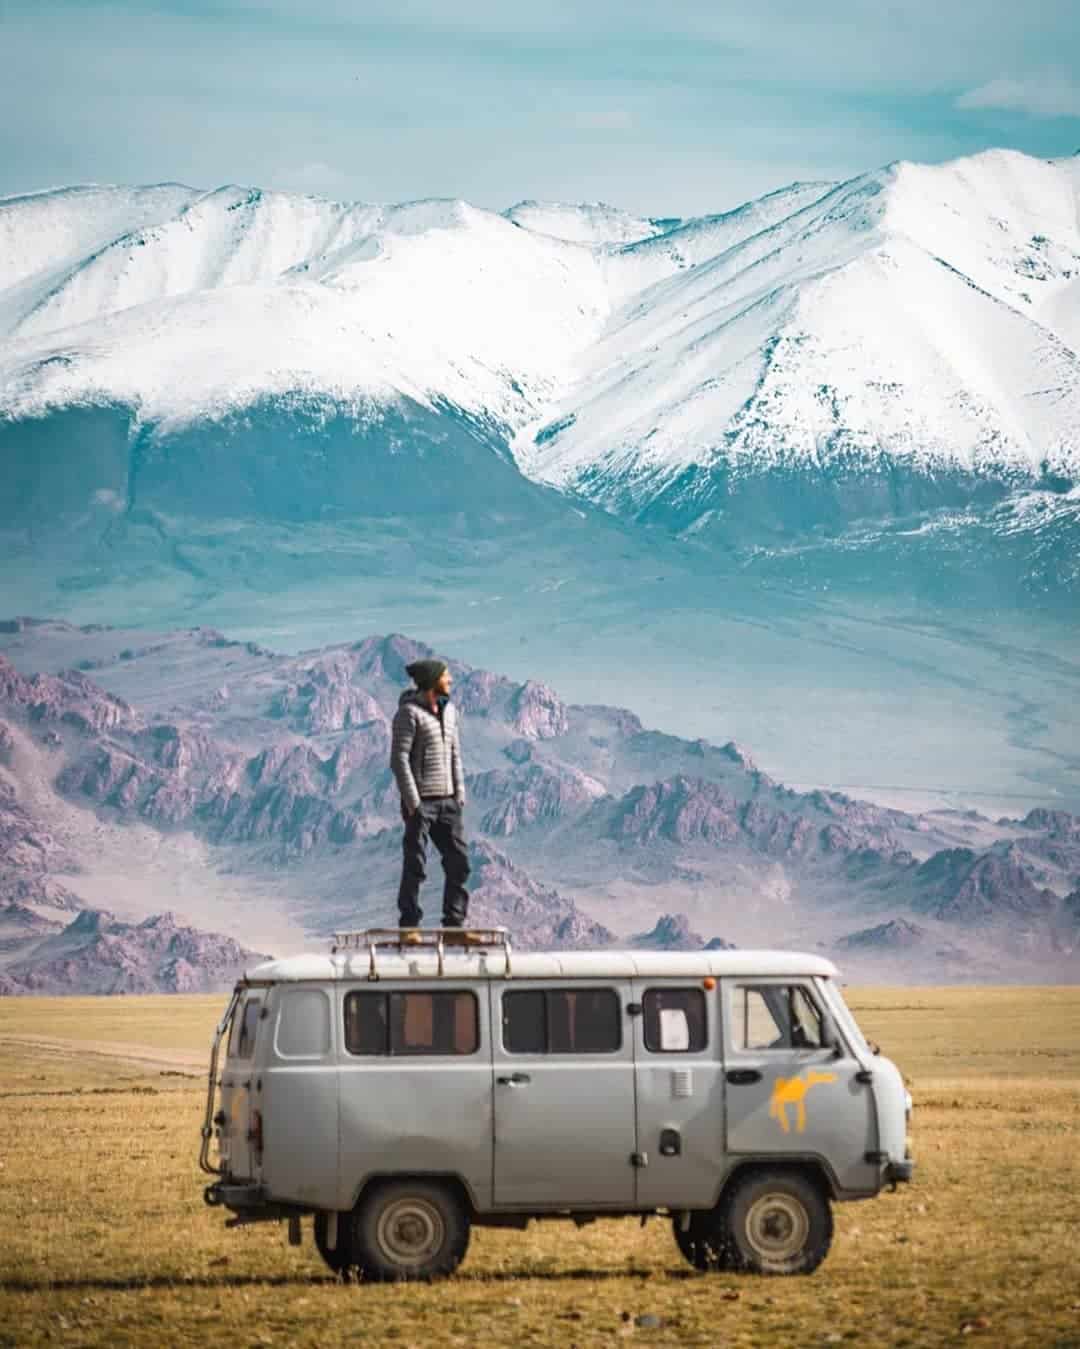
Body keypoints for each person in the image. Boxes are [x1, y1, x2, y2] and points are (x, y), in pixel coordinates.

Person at [390, 657, 470, 931]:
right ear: (434, 680)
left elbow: (455, 754)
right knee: (416, 866)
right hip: (421, 804)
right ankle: (409, 925)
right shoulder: (408, 714)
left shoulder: (450, 712)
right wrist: (413, 802)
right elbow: (399, 759)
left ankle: (454, 925)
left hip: (449, 802)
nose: (450, 680)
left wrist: (459, 793)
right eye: (446, 676)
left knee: (459, 863)